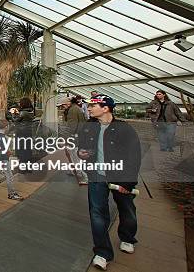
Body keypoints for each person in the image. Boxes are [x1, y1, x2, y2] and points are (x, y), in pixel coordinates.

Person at [77, 94, 141, 271]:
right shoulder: (88, 127)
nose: (89, 108)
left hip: (120, 176)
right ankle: (102, 252)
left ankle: (127, 238)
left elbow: (134, 157)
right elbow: (80, 145)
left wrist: (128, 183)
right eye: (89, 106)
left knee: (126, 209)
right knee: (97, 213)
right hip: (96, 176)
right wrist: (81, 153)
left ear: (105, 108)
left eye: (93, 106)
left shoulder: (124, 129)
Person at [58, 96, 88, 185]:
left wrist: (66, 138)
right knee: (75, 155)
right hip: (77, 136)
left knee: (75, 156)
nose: (61, 107)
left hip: (73, 137)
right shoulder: (75, 108)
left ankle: (83, 176)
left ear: (67, 103)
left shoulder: (72, 110)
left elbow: (72, 126)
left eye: (62, 105)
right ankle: (76, 171)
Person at [13, 97, 34, 173]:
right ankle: (28, 168)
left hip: (21, 133)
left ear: (23, 104)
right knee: (27, 150)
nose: (19, 104)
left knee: (21, 151)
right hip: (28, 133)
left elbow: (15, 121)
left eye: (20, 102)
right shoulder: (30, 111)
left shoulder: (23, 113)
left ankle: (22, 169)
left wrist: (14, 114)